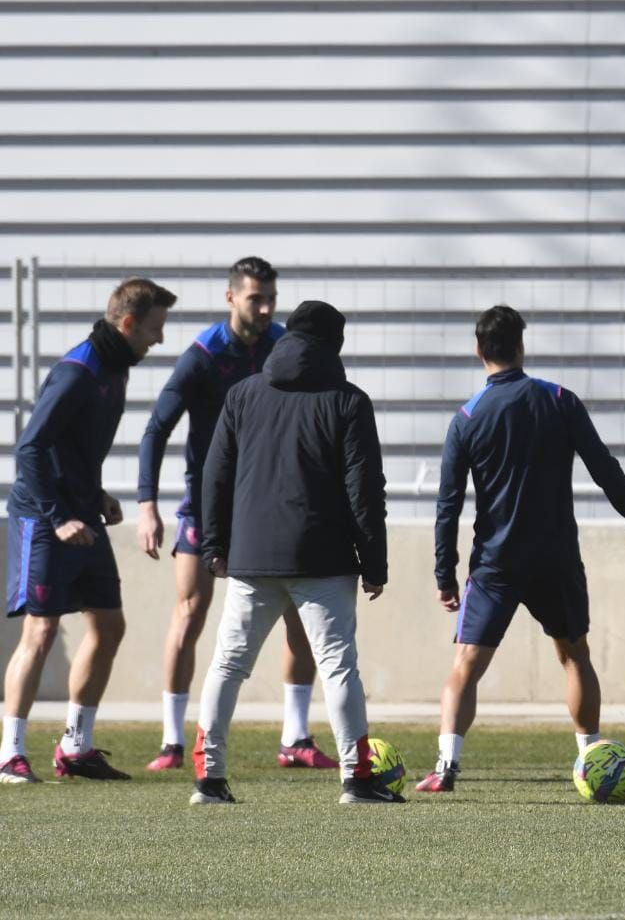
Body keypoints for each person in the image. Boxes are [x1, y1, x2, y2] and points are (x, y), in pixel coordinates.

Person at [415, 306, 625, 793]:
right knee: (574, 657)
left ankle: (447, 765)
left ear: (479, 350)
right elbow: (602, 465)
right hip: (555, 558)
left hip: (495, 564)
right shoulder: (559, 399)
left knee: (466, 663)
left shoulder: (466, 418)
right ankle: (592, 759)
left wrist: (445, 572)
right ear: (521, 346)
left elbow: (448, 505)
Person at [135, 257, 334, 772]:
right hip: (207, 505)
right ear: (231, 298)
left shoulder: (281, 352)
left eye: (271, 299)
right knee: (190, 612)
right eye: (255, 299)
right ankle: (172, 741)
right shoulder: (203, 356)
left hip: (268, 505)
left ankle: (295, 736)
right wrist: (146, 505)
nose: (266, 309)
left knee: (297, 611)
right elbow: (156, 429)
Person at [192, 300, 393, 805]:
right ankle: (355, 780)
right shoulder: (349, 401)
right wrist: (374, 562)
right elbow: (364, 489)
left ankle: (208, 779)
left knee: (227, 666)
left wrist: (214, 543)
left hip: (252, 555)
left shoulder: (242, 395)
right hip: (324, 557)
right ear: (335, 344)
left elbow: (214, 474)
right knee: (338, 667)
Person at [2, 278, 176, 785]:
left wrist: (96, 497)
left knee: (109, 624)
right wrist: (59, 517)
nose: (158, 340)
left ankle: (75, 746)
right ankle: (9, 753)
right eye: (154, 328)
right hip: (46, 519)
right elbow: (31, 448)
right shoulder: (77, 371)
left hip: (83, 513)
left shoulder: (116, 369)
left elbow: (73, 447)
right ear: (127, 324)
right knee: (42, 630)